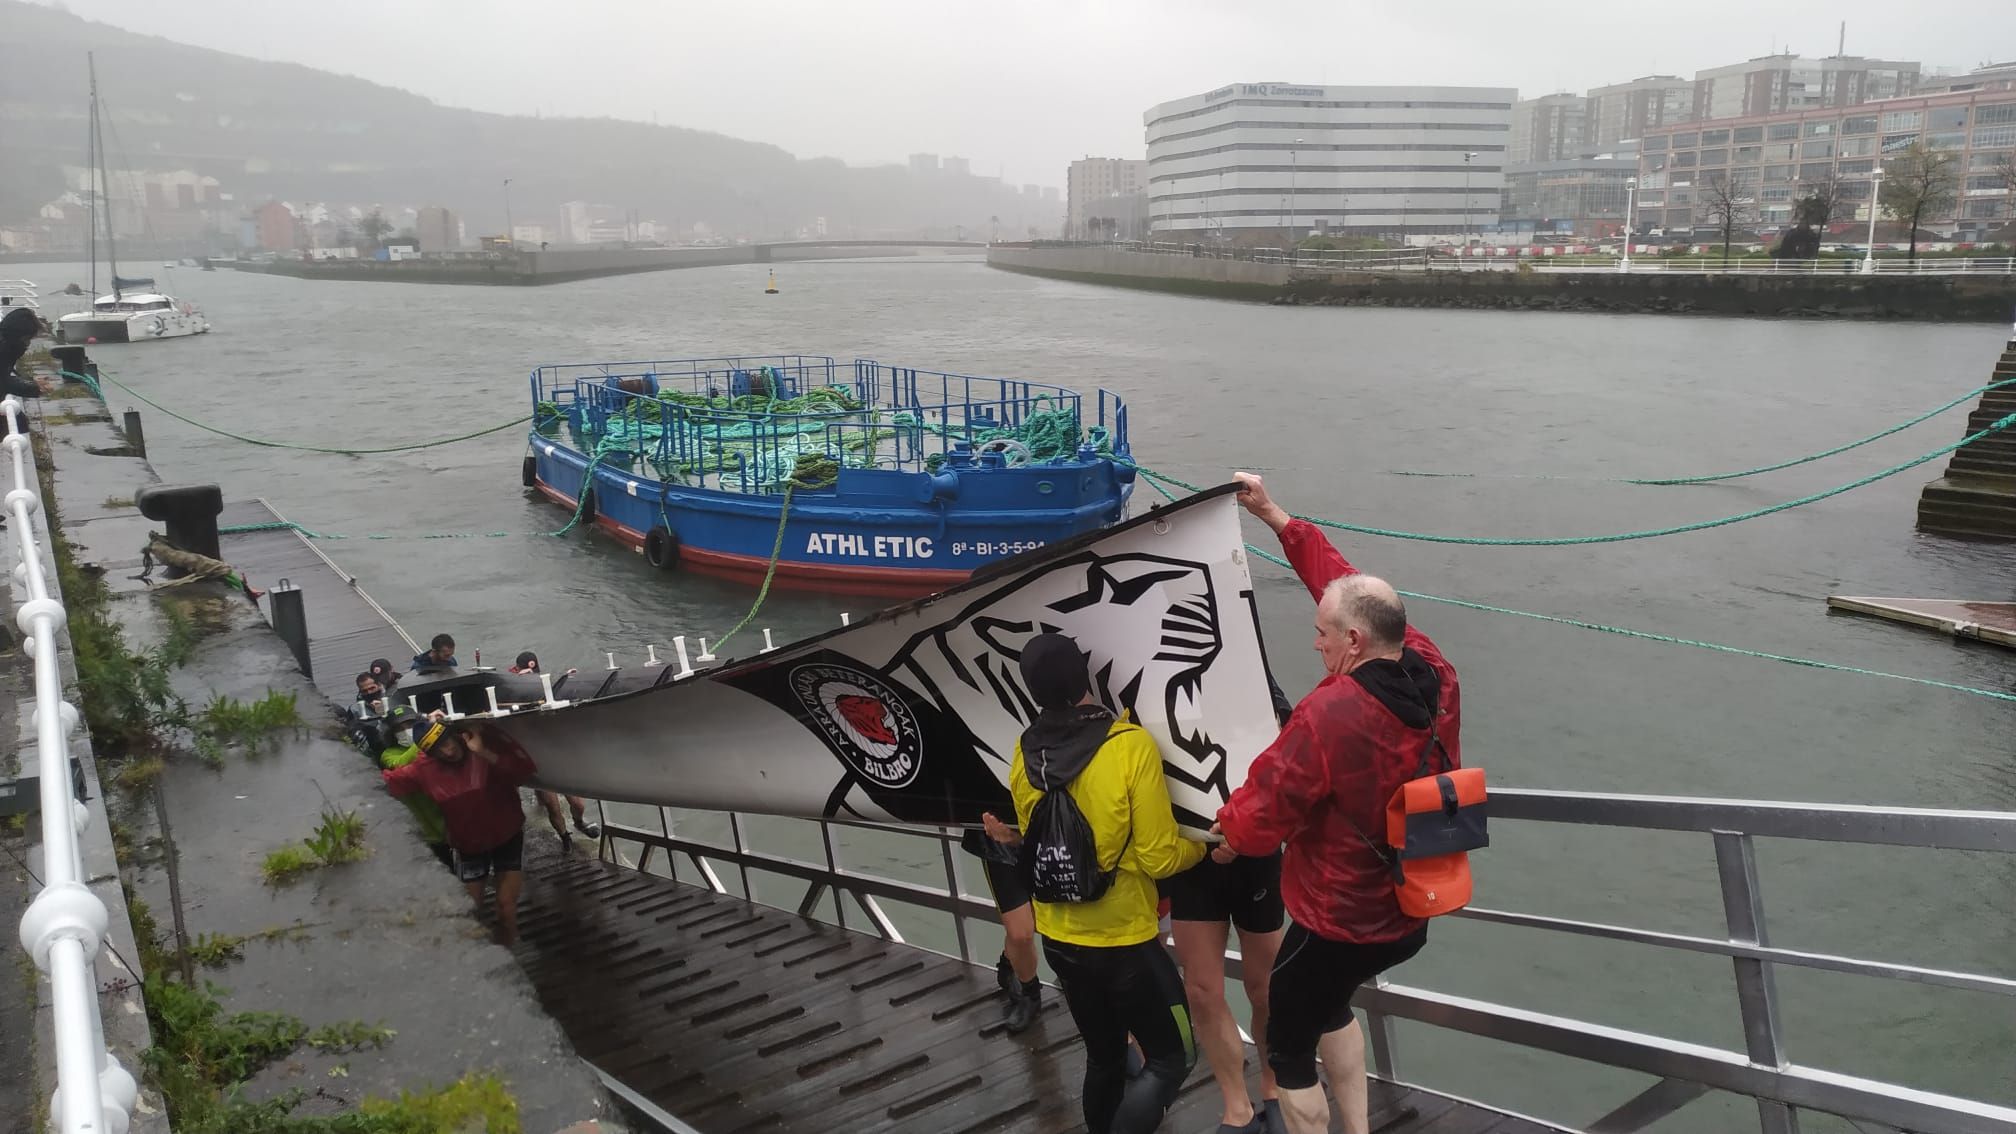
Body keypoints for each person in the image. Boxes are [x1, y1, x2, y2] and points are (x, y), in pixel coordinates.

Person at [1211, 473, 1462, 1134]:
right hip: (1415, 902)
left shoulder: (1330, 712)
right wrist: (1274, 516)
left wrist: (1226, 833)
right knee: (1330, 1009)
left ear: (1353, 642)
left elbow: (1261, 817)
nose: (1314, 642)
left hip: (1341, 921)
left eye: (1323, 632)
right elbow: (1352, 584)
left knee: (1287, 1046)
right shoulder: (1436, 671)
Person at [984, 632, 1206, 1134]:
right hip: (1126, 940)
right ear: (1084, 677)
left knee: (1104, 1059)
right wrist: (1208, 845)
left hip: (1061, 940)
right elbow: (1159, 855)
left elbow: (1034, 840)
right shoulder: (1129, 746)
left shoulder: (1023, 754)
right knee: (1177, 1057)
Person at [381, 716, 538, 944]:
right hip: (469, 845)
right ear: (428, 754)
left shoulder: (480, 750)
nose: (447, 751)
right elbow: (385, 783)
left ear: (456, 735)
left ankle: (510, 948)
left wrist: (483, 751)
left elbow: (523, 773)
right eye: (437, 750)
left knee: (506, 908)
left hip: (507, 835)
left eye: (447, 742)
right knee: (468, 910)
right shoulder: (422, 769)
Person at [508, 651, 600, 849]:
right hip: (535, 759)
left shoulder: (545, 687)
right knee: (552, 804)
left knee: (578, 803)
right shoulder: (514, 692)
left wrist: (568, 677)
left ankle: (578, 822)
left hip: (556, 756)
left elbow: (557, 689)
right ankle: (565, 836)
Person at [957, 826, 1042, 1033]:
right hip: (997, 836)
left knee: (1047, 919)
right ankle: (1030, 993)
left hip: (1046, 828)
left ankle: (1009, 962)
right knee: (1020, 933)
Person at [375, 707, 454, 872]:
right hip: (426, 829)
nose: (406, 731)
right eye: (399, 729)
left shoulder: (434, 745)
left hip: (450, 820)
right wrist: (427, 736)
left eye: (410, 725)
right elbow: (402, 762)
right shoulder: (388, 755)